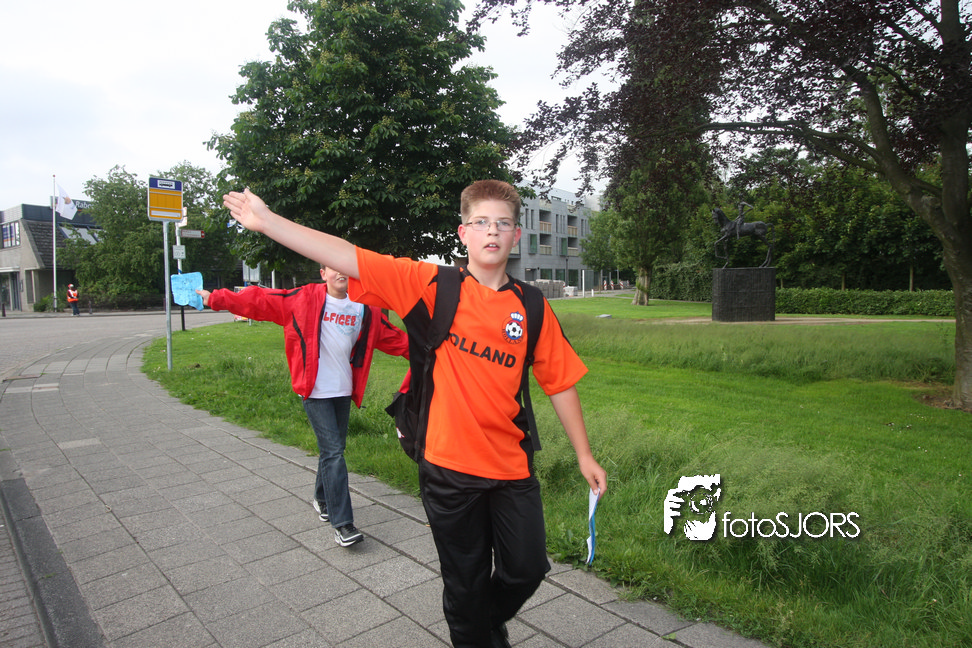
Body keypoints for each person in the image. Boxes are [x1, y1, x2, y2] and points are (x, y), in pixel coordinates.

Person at [223, 180, 607, 648]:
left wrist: (584, 455)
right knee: (465, 583)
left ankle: (483, 624)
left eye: (503, 223)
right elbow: (347, 255)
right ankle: (477, 632)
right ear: (463, 233)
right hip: (448, 468)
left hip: (512, 466)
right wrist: (267, 222)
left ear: (516, 235)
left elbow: (560, 382)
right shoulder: (430, 285)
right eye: (481, 222)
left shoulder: (531, 305)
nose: (492, 231)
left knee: (526, 569)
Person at [196, 266, 409, 547]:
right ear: (323, 273)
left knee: (333, 449)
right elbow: (259, 300)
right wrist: (216, 298)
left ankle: (322, 499)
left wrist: (433, 352)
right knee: (334, 453)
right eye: (333, 268)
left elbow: (394, 338)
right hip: (314, 390)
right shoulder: (303, 299)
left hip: (344, 390)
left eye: (345, 268)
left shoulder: (365, 308)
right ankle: (343, 524)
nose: (341, 273)